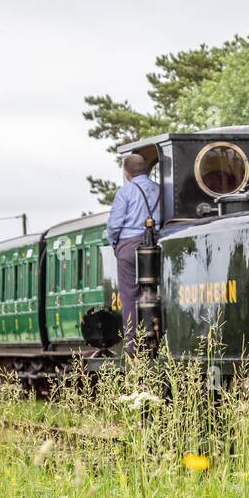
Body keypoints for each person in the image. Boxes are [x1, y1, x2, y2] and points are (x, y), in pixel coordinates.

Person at [106, 152, 160, 355]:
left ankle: (132, 344)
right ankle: (158, 338)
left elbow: (114, 224)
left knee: (130, 296)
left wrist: (114, 244)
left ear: (126, 173)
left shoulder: (125, 192)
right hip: (156, 243)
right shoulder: (160, 190)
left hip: (129, 246)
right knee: (157, 293)